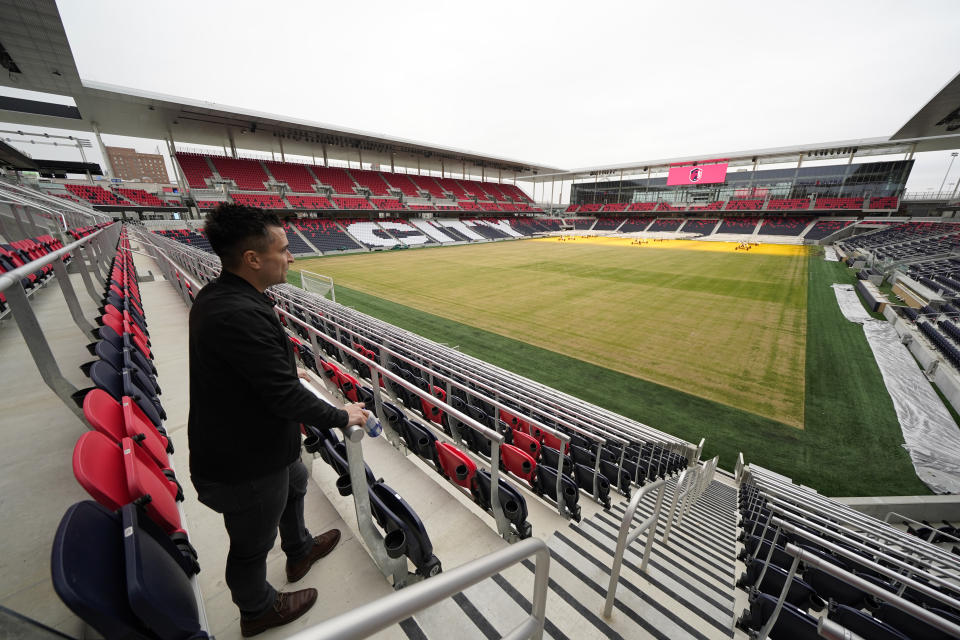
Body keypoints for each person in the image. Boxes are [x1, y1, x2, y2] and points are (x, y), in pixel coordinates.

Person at [188, 204, 369, 637]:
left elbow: (258, 373)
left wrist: (289, 371)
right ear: (253, 258)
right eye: (284, 250)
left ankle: (300, 549)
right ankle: (257, 610)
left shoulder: (226, 297)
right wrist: (343, 414)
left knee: (297, 484)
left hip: (264, 444)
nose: (291, 258)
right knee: (252, 545)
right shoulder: (237, 312)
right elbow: (284, 397)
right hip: (244, 463)